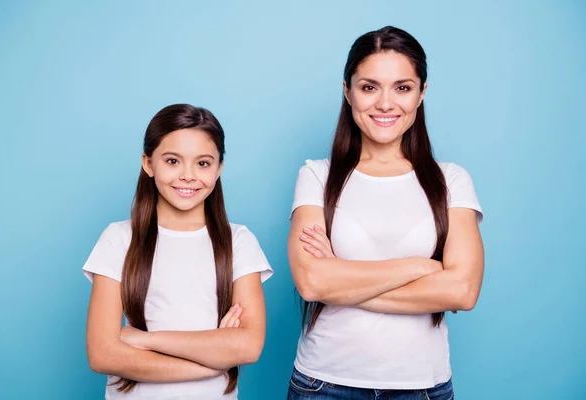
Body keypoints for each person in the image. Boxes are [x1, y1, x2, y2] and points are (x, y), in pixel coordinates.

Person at [287, 26, 484, 400]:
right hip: (323, 384)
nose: (385, 103)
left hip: (422, 387)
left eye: (403, 88)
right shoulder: (316, 176)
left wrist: (341, 285)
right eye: (369, 87)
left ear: (422, 93)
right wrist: (418, 267)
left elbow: (462, 290)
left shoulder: (452, 181)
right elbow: (312, 283)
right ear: (348, 91)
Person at [83, 104, 272, 399]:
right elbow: (103, 354)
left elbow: (248, 346)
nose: (187, 175)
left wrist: (146, 340)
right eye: (172, 161)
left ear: (219, 168)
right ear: (148, 163)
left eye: (203, 163)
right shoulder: (118, 239)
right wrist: (212, 362)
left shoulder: (239, 242)